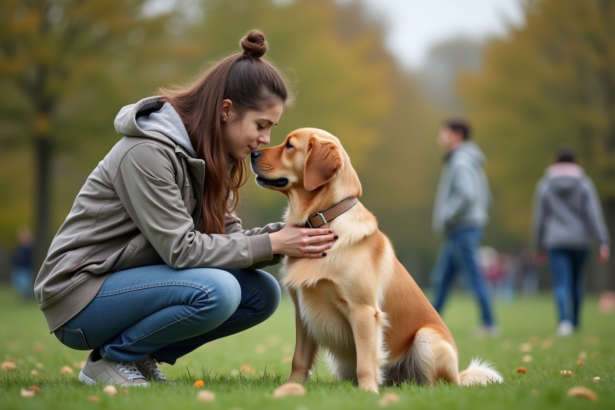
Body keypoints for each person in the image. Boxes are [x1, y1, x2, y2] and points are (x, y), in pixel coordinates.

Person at [34, 30, 338, 386]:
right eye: (261, 125)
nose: (265, 141)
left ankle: (138, 357)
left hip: (130, 284)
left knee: (261, 293)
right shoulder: (146, 153)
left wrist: (291, 236)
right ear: (227, 111)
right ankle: (111, 360)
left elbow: (231, 241)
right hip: (79, 296)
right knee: (217, 290)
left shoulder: (214, 157)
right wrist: (274, 244)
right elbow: (180, 250)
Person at [532, 147, 610, 336]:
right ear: (576, 162)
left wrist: (538, 246)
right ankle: (575, 321)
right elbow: (594, 215)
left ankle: (564, 321)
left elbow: (539, 218)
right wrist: (602, 241)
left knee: (561, 282)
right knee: (577, 282)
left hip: (554, 241)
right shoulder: (584, 184)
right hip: (580, 240)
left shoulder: (545, 185)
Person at [430, 119, 497, 334]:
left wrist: (447, 214)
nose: (440, 139)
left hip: (462, 227)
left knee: (473, 277)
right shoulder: (470, 160)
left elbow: (465, 195)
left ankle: (489, 323)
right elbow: (487, 197)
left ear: (457, 135)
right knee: (442, 279)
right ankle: (429, 320)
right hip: (464, 227)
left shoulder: (460, 160)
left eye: (444, 134)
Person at [12, 226, 34, 300]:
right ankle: (24, 297)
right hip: (20, 268)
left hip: (27, 268)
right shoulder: (21, 247)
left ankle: (27, 297)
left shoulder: (31, 247)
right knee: (20, 284)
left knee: (26, 284)